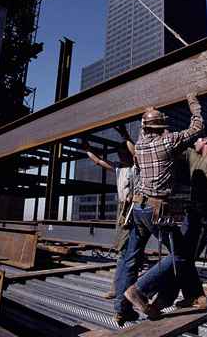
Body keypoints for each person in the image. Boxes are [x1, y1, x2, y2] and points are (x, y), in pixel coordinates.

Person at [113, 93, 203, 325]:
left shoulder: (141, 144)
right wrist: (192, 101)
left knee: (131, 258)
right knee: (182, 255)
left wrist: (148, 114)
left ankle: (121, 309)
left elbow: (145, 129)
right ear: (162, 127)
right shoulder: (168, 141)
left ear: (145, 127)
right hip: (155, 211)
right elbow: (198, 126)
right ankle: (139, 290)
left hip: (138, 209)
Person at [153, 86, 207, 310]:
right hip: (192, 214)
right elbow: (168, 140)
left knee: (185, 257)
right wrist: (155, 117)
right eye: (197, 139)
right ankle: (186, 297)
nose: (198, 139)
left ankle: (174, 297)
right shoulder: (190, 155)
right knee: (183, 257)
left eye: (199, 138)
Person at [81, 125, 139, 299]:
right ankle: (119, 287)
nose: (121, 156)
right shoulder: (119, 168)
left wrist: (125, 134)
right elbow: (98, 161)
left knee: (131, 251)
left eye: (123, 153)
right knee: (124, 250)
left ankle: (124, 288)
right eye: (119, 154)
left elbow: (135, 153)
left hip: (135, 208)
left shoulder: (137, 167)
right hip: (123, 210)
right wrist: (87, 148)